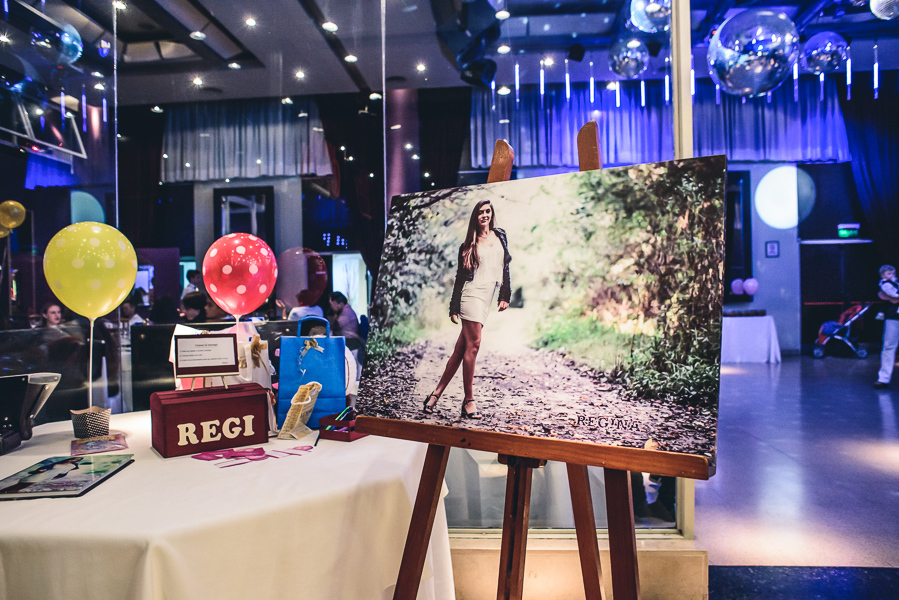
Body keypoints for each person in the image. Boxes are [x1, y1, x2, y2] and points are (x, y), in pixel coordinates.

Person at [423, 199, 511, 419]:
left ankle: (435, 394)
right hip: (471, 294)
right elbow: (460, 278)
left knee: (460, 349)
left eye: (488, 211)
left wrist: (504, 294)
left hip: (488, 296)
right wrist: (454, 306)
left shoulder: (500, 235)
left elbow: (505, 265)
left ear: (492, 213)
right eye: (481, 212)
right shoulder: (468, 245)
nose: (485, 215)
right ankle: (469, 401)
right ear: (476, 216)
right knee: (474, 345)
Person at [875, 265, 899, 389]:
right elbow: (886, 296)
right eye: (888, 273)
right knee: (888, 347)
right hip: (893, 317)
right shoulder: (885, 284)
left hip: (893, 315)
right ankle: (883, 379)